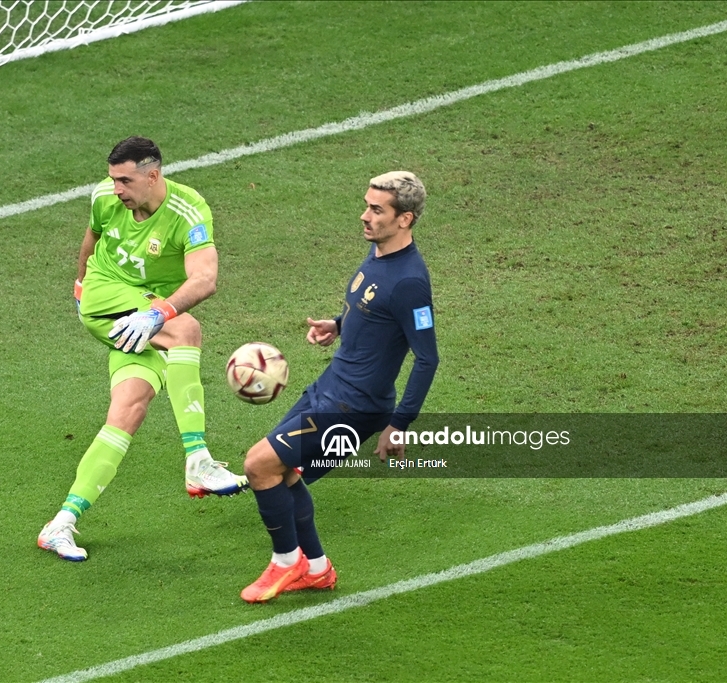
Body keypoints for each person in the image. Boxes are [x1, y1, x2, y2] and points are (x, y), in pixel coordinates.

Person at [38, 136, 248, 561]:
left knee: (128, 411)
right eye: (113, 179)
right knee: (185, 329)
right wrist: (80, 285)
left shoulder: (187, 211)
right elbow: (91, 239)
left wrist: (155, 314)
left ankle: (61, 523)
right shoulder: (104, 197)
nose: (116, 189)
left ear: (153, 176)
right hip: (106, 296)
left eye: (125, 181)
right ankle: (198, 459)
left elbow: (205, 279)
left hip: (144, 315)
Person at [239, 171, 439, 602]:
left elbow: (427, 357)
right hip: (332, 386)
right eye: (366, 205)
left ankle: (286, 562)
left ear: (404, 219)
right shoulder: (378, 252)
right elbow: (375, 313)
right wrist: (339, 324)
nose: (364, 216)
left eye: (376, 209)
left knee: (259, 465)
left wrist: (399, 424)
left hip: (354, 406)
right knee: (284, 472)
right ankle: (315, 569)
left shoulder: (410, 282)